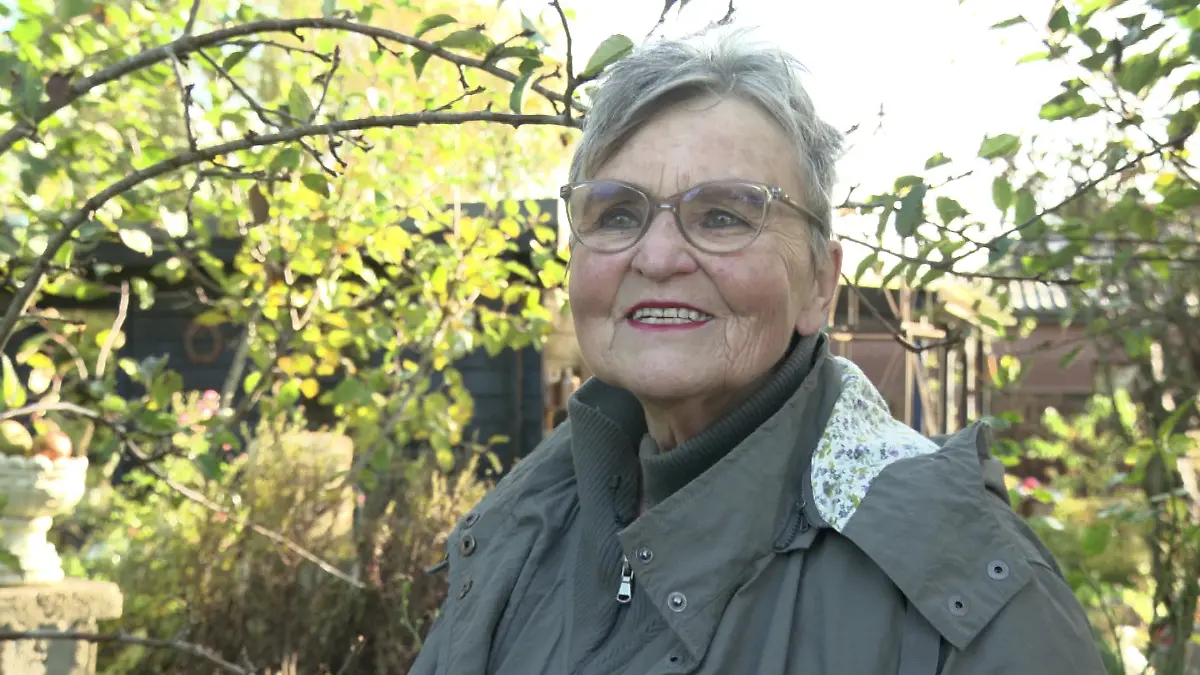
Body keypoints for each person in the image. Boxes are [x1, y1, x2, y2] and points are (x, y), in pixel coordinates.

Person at [409, 28, 1105, 675]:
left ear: (820, 283)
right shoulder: (521, 527)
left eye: (722, 216)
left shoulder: (964, 588)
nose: (657, 256)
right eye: (618, 213)